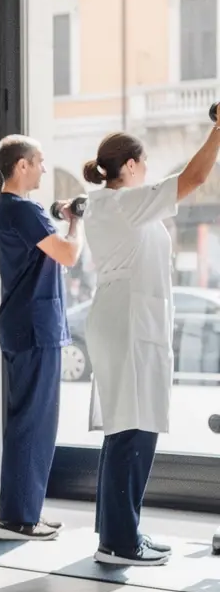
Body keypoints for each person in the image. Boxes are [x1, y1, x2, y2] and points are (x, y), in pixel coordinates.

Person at [82, 127, 220, 566]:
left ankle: (119, 532)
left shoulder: (108, 204)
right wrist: (218, 132)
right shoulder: (124, 203)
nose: (147, 171)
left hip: (125, 318)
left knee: (125, 428)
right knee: (132, 430)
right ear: (129, 166)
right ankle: (120, 544)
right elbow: (194, 177)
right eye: (144, 163)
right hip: (128, 322)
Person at [0, 136, 83, 542]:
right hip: (34, 327)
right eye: (40, 161)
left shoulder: (11, 209)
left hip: (28, 324)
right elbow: (68, 254)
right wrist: (76, 222)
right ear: (22, 165)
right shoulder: (21, 209)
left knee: (33, 421)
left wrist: (61, 217)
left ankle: (24, 511)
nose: (44, 168)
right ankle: (17, 519)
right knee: (32, 422)